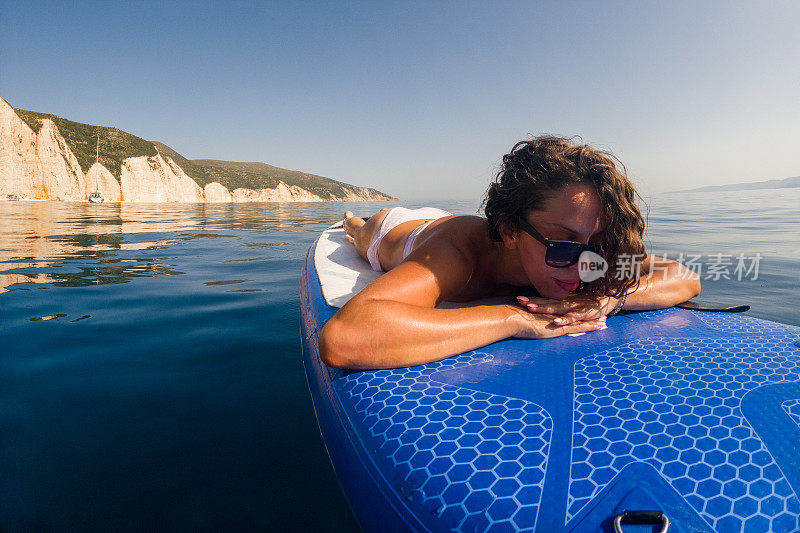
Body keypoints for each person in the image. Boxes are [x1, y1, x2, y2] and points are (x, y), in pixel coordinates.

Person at [319, 136, 700, 369]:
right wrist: (512, 318)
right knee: (360, 234)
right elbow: (345, 338)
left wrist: (607, 300)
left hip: (446, 220)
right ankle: (353, 219)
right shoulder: (458, 257)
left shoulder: (586, 250)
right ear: (511, 231)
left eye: (597, 248)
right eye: (564, 244)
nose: (584, 266)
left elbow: (684, 276)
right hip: (397, 230)